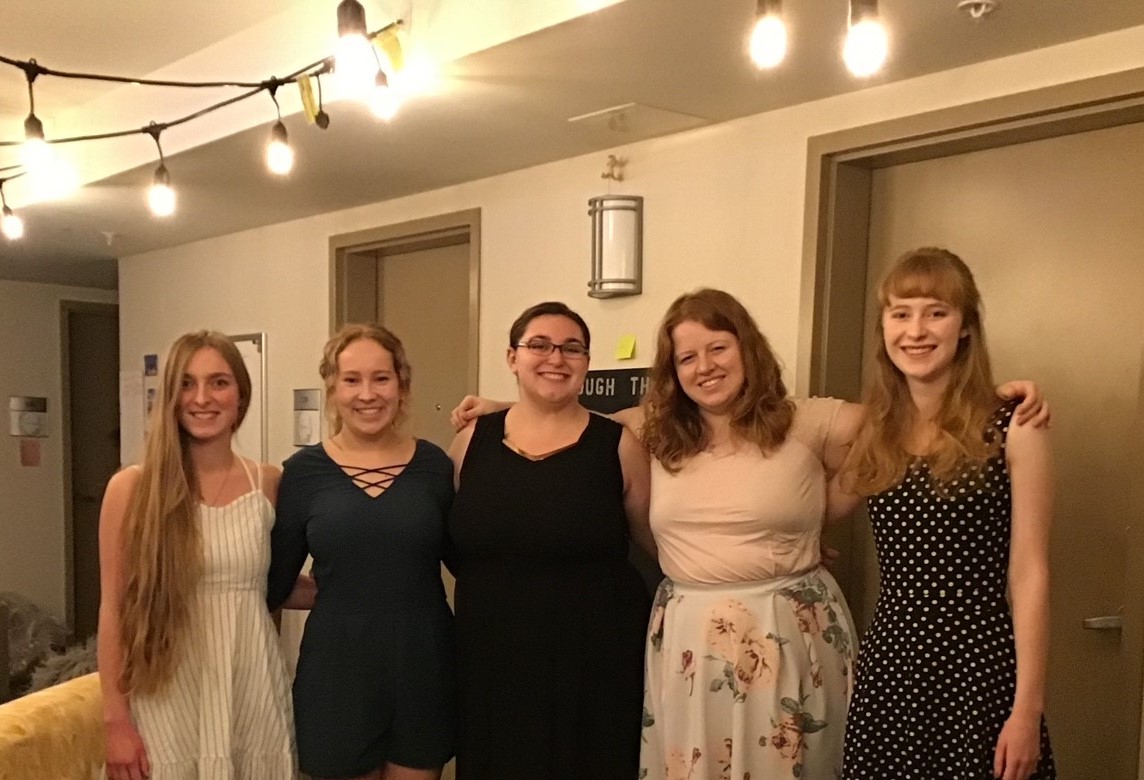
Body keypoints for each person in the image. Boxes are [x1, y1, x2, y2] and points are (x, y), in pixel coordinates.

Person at [452, 289, 1047, 779]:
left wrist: (991, 398)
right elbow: (566, 419)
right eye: (688, 357)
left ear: (748, 350)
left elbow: (910, 414)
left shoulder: (808, 419)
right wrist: (506, 404)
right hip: (688, 641)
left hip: (790, 635)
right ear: (672, 370)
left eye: (719, 348)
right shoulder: (652, 429)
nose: (705, 366)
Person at [837, 248, 1056, 779]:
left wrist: (1026, 710)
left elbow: (1029, 576)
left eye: (936, 311)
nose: (916, 330)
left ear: (965, 327)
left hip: (978, 668)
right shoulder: (876, 432)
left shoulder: (1015, 426)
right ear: (883, 328)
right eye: (900, 312)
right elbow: (799, 507)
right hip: (891, 665)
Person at [446, 302, 654, 779]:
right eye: (538, 345)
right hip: (491, 656)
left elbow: (657, 542)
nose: (555, 358)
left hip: (594, 661)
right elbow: (447, 540)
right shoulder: (470, 442)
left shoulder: (618, 445)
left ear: (586, 362)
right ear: (511, 357)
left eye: (572, 348)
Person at [97, 330, 296, 780]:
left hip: (251, 689)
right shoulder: (131, 489)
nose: (202, 398)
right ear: (169, 396)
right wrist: (115, 720)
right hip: (166, 691)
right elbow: (113, 608)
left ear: (240, 396)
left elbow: (269, 585)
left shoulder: (268, 483)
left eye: (219, 382)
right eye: (186, 384)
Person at [267, 324, 455, 780]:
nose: (367, 393)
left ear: (402, 386)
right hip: (338, 668)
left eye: (381, 378)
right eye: (351, 380)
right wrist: (345, 593)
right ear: (332, 388)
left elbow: (471, 560)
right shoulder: (302, 473)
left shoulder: (436, 466)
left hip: (423, 663)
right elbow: (273, 582)